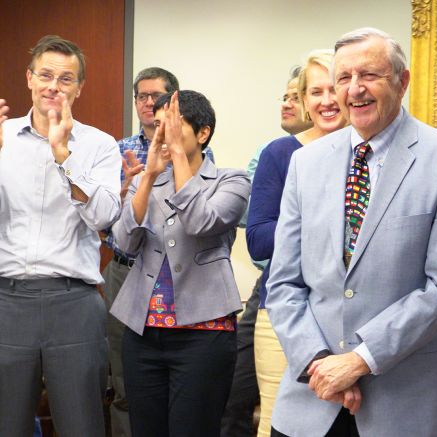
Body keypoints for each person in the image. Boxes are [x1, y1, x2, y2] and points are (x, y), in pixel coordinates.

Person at [265, 28, 437, 436]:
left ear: (402, 82)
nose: (354, 89)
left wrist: (360, 360)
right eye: (343, 78)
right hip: (314, 401)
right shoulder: (305, 162)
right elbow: (283, 283)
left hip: (407, 405)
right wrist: (320, 364)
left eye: (370, 75)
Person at [109, 90, 250, 436]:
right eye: (159, 128)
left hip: (204, 336)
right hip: (143, 334)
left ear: (203, 133)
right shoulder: (149, 180)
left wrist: (176, 161)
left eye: (173, 127)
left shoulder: (231, 181)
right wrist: (146, 180)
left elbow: (201, 222)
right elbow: (125, 243)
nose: (164, 136)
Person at [0, 35, 121, 436]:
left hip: (73, 303)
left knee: (81, 426)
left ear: (79, 88)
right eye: (46, 75)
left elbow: (104, 216)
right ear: (29, 79)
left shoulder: (100, 145)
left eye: (65, 79)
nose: (54, 86)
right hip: (7, 301)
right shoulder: (2, 139)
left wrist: (63, 155)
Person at [103, 66, 217, 437]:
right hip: (127, 271)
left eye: (156, 97)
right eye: (142, 96)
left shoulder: (207, 159)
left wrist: (173, 159)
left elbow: (199, 221)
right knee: (125, 384)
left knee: (186, 403)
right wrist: (133, 189)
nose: (148, 104)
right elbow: (116, 231)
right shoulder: (120, 151)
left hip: (185, 280)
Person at [245, 49, 347, 437]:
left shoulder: (372, 155)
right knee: (279, 426)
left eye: (333, 88)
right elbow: (257, 240)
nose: (325, 100)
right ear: (304, 100)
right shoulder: (281, 154)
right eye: (314, 91)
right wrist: (319, 223)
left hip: (352, 323)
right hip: (284, 318)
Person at [222, 65, 312, 437]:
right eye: (287, 96)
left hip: (328, 292)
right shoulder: (272, 153)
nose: (288, 103)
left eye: (297, 96)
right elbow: (253, 226)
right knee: (236, 394)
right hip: (274, 283)